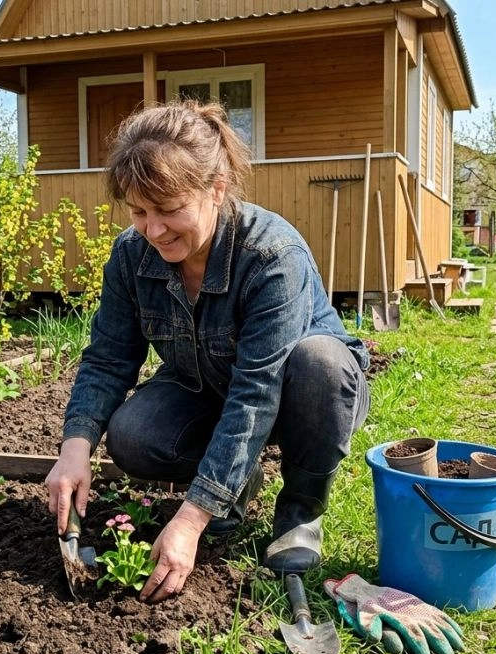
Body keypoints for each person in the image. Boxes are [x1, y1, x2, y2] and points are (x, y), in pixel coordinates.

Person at [45, 99, 370, 603]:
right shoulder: (131, 255)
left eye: (169, 209)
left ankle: (301, 509)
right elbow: (109, 357)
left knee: (320, 365)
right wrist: (74, 448)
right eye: (139, 211)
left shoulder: (271, 256)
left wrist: (191, 518)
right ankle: (235, 485)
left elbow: (256, 394)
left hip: (298, 394)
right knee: (132, 435)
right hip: (205, 385)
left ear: (216, 189)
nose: (153, 230)